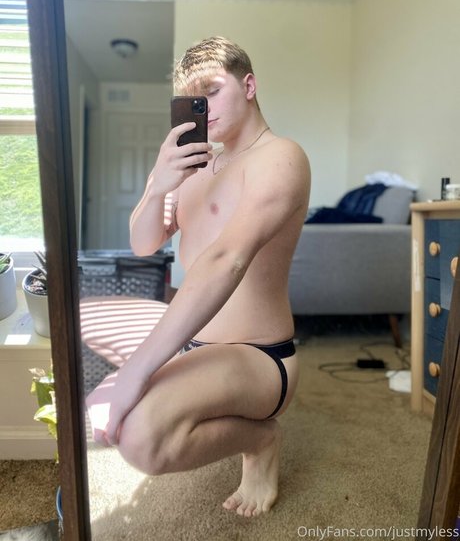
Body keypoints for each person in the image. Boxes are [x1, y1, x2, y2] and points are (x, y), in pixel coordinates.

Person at [86, 36, 311, 518]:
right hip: (193, 345)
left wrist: (137, 371)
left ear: (248, 86)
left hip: (258, 356)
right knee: (104, 410)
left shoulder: (281, 157)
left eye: (211, 91)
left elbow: (226, 258)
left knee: (141, 438)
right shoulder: (194, 167)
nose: (203, 108)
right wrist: (157, 184)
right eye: (193, 100)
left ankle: (261, 440)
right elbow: (144, 243)